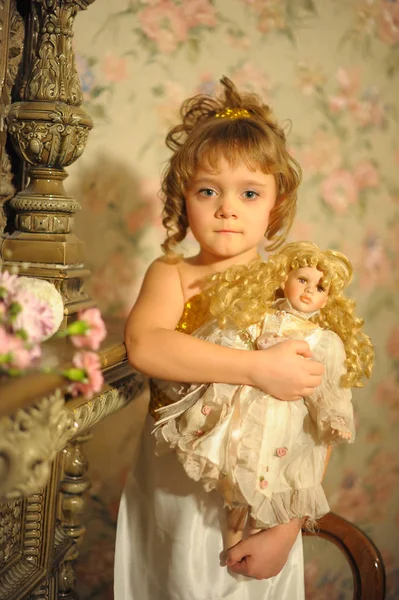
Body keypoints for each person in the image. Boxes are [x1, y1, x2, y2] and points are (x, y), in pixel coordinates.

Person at [114, 77, 326, 600]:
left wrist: (286, 527)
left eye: (249, 193)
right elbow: (147, 346)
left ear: (274, 206)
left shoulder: (293, 287)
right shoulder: (174, 276)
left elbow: (319, 416)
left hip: (265, 503)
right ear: (184, 200)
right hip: (176, 498)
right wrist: (258, 368)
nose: (227, 207)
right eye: (208, 190)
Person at [152, 242, 374, 551]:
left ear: (327, 298)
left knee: (268, 478)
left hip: (282, 422)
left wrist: (334, 416)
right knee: (234, 473)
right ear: (285, 280)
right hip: (244, 407)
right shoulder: (261, 316)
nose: (309, 291)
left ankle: (256, 539)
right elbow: (226, 338)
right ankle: (230, 544)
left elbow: (330, 386)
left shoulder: (324, 342)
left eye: (320, 287)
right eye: (302, 280)